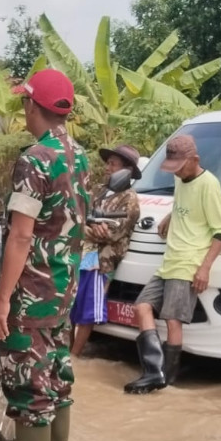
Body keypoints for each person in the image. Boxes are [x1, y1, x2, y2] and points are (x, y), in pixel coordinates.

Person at [0, 68, 90, 441]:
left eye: (23, 102)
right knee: (57, 378)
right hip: (64, 291)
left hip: (31, 294)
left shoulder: (34, 159)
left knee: (30, 387)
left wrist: (2, 300)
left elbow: (20, 236)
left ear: (32, 105)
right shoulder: (78, 154)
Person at [124, 134, 221, 394]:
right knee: (141, 307)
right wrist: (171, 215)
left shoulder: (209, 184)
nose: (178, 173)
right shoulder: (180, 179)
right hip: (170, 260)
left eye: (181, 167)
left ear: (195, 160)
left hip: (189, 261)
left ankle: (166, 381)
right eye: (174, 168)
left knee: (173, 320)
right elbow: (187, 205)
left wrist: (204, 268)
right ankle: (153, 372)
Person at [70, 144, 141, 356]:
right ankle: (66, 355)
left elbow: (110, 233)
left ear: (126, 170)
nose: (107, 167)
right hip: (82, 256)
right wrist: (88, 226)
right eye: (107, 163)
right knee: (70, 309)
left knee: (87, 313)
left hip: (101, 263)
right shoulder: (100, 191)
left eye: (113, 164)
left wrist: (84, 228)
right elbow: (80, 217)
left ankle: (75, 356)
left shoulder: (129, 199)